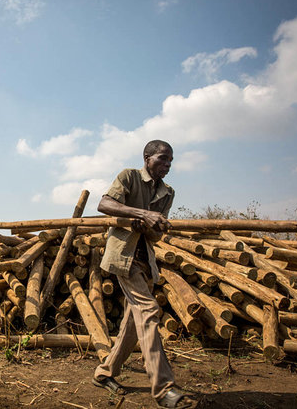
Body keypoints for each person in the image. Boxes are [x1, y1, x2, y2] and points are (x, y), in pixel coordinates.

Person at [92, 140, 196, 409]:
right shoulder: (129, 176)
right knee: (148, 310)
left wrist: (152, 225)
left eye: (170, 161)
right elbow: (104, 204)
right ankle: (164, 389)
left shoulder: (167, 192)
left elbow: (155, 234)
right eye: (162, 159)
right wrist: (141, 214)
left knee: (131, 321)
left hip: (144, 260)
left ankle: (104, 374)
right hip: (122, 256)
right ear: (147, 158)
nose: (168, 165)